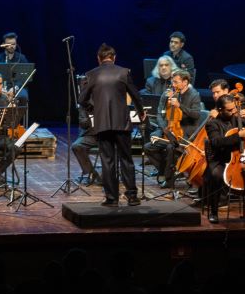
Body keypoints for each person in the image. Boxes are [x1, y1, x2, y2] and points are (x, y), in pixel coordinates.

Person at [78, 44, 144, 207]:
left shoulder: (91, 75)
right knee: (126, 160)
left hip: (102, 124)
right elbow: (135, 95)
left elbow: (81, 100)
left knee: (108, 161)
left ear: (98, 59)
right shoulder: (123, 72)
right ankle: (132, 196)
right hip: (122, 122)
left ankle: (112, 198)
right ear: (114, 58)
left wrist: (92, 109)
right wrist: (140, 111)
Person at [203, 93, 245, 223]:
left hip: (243, 158)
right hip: (222, 160)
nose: (233, 111)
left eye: (234, 108)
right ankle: (214, 212)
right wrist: (238, 136)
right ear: (220, 110)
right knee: (216, 175)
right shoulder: (213, 124)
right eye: (229, 110)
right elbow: (217, 142)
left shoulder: (240, 119)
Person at [143, 69, 201, 189]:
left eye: (176, 82)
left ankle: (169, 180)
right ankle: (166, 172)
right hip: (169, 130)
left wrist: (180, 105)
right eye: (172, 82)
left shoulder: (194, 95)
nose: (173, 85)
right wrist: (164, 128)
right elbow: (160, 113)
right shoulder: (168, 93)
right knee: (148, 147)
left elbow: (196, 115)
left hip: (185, 133)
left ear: (185, 82)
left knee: (171, 147)